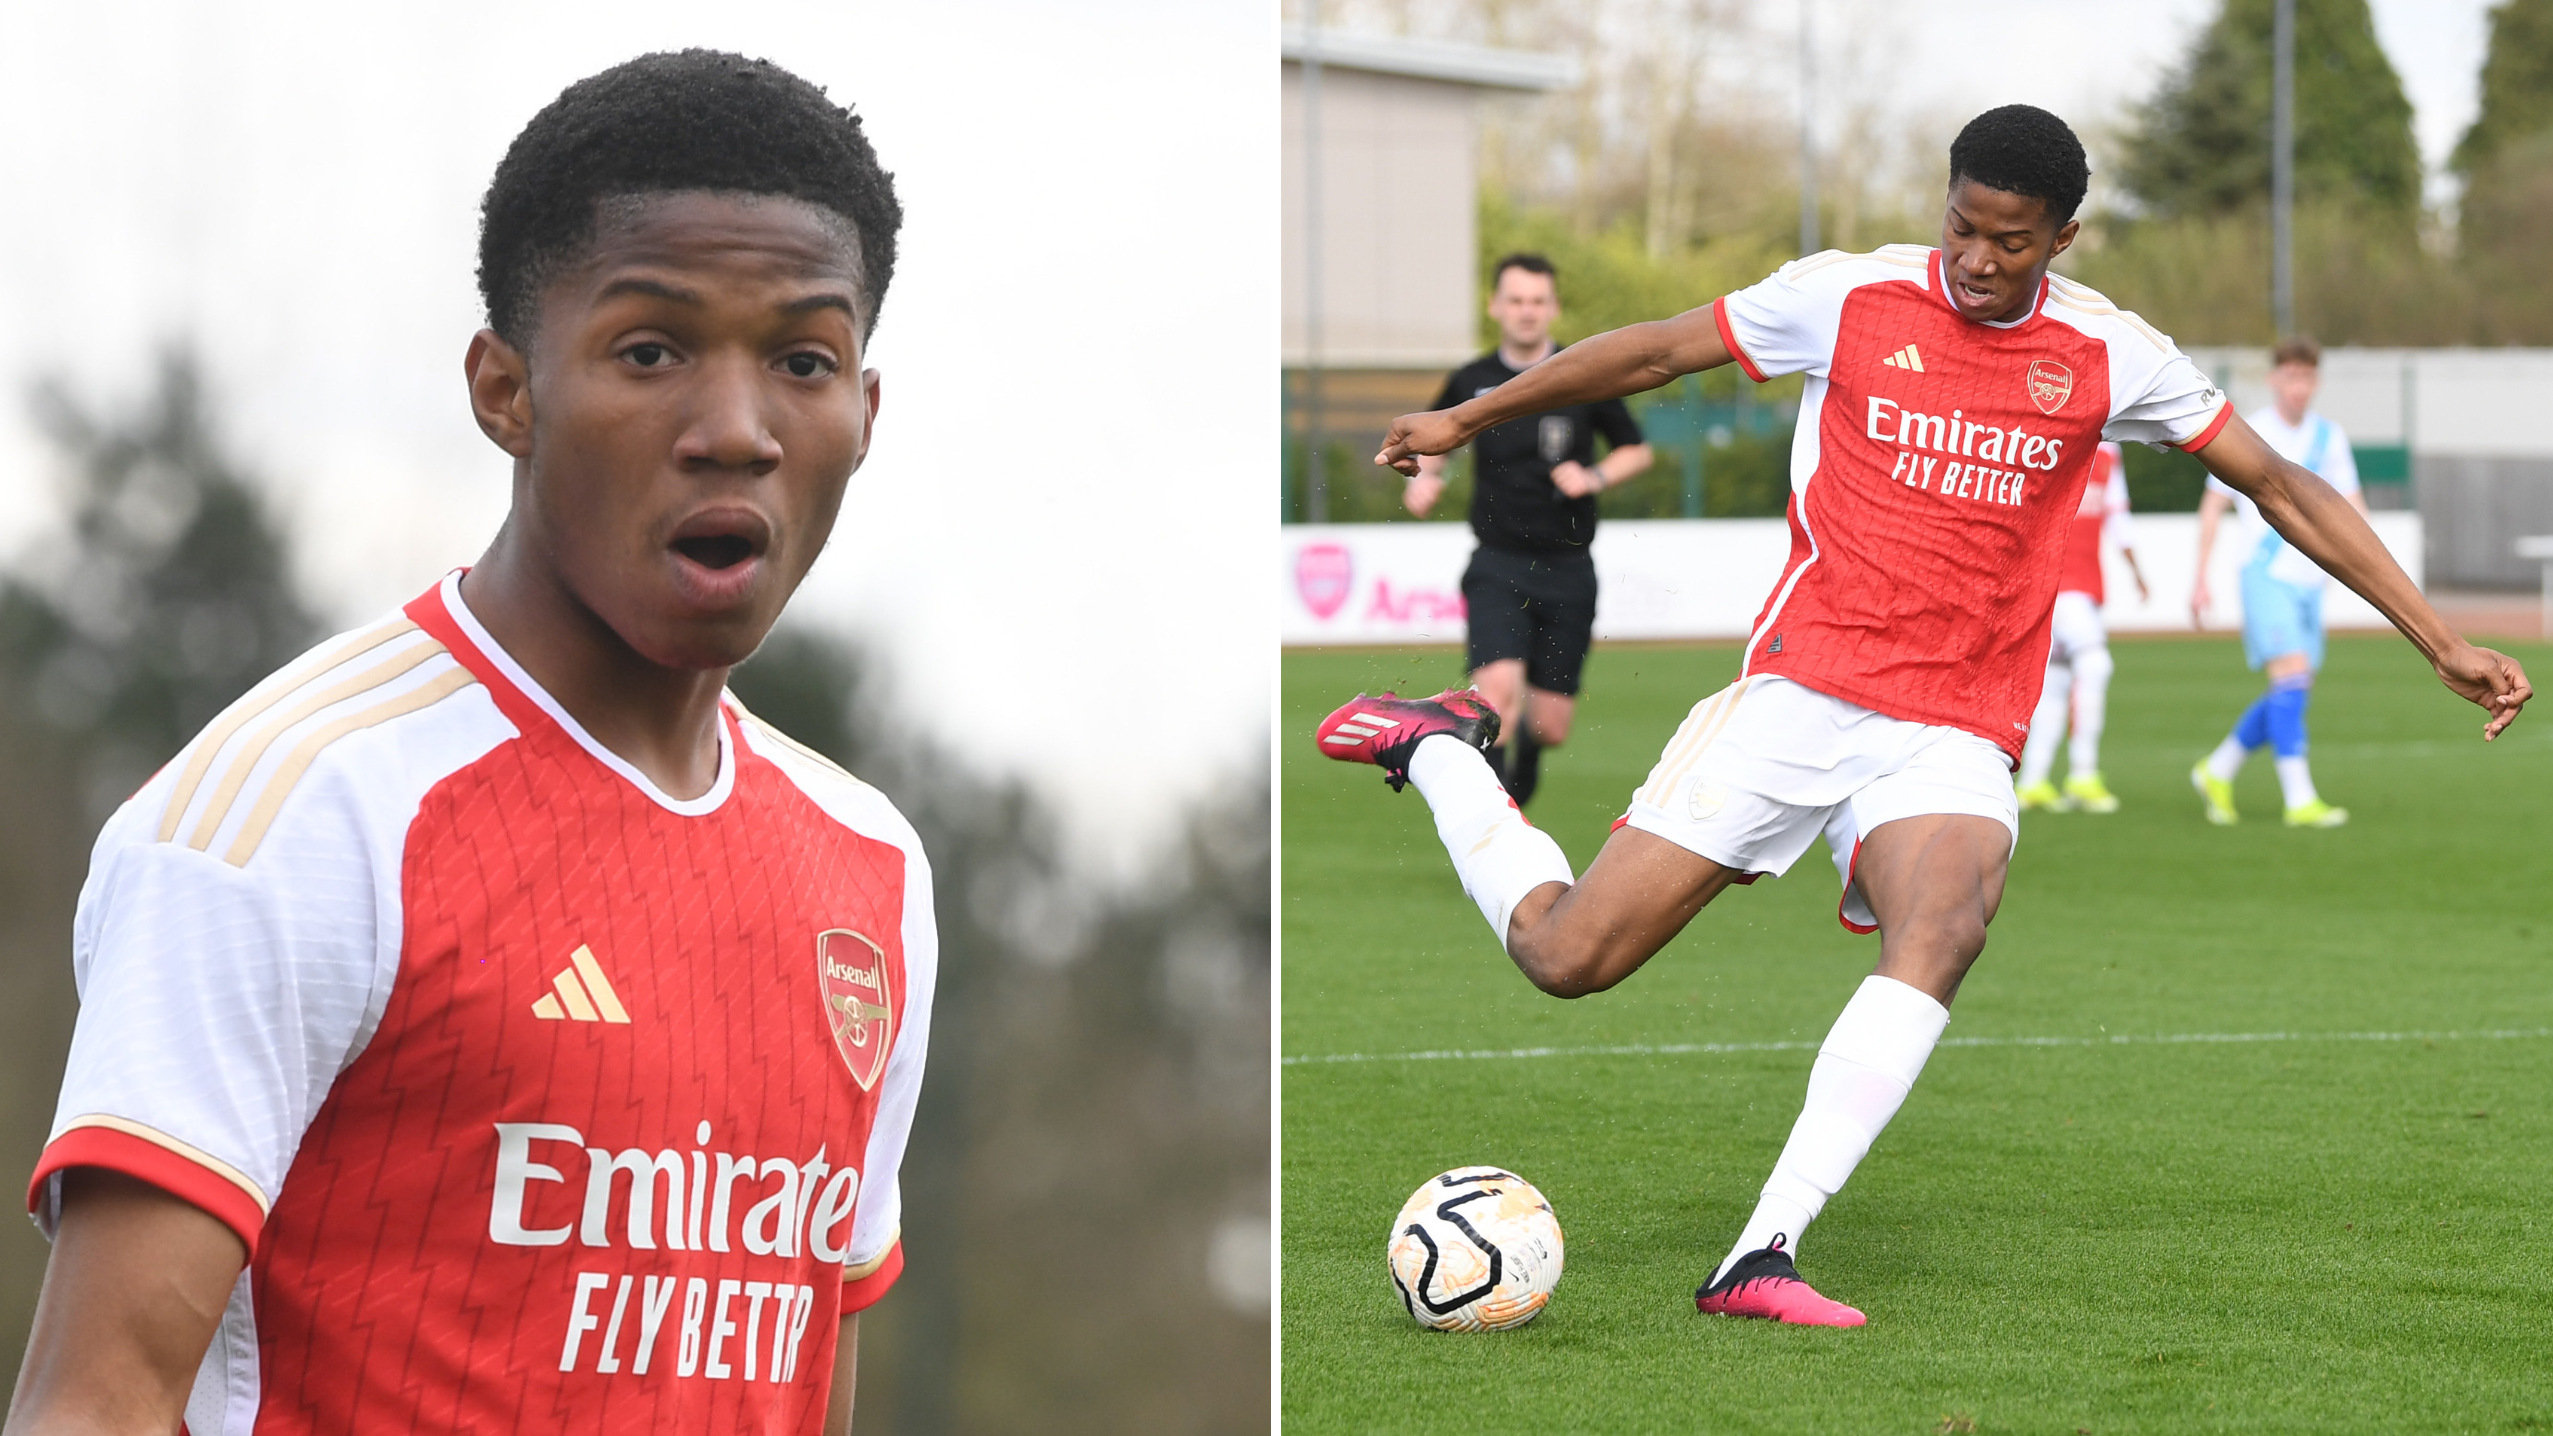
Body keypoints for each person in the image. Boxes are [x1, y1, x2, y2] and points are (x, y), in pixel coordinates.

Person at [1318, 105, 2527, 1326]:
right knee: (1567, 955)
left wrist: (2440, 638)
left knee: (1947, 918)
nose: (1978, 259)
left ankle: (1761, 1248)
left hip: (1955, 722)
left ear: (2062, 236)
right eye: (1961, 226)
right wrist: (1467, 421)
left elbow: (2276, 481)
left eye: (2011, 239)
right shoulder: (1846, 298)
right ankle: (1436, 749)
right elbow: (1650, 353)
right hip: (1804, 688)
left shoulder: (2114, 353)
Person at [9, 52, 934, 1431]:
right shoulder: (294, 819)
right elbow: (97, 1402)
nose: (734, 431)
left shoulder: (873, 871)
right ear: (505, 389)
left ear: (864, 412)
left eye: (803, 359)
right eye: (651, 350)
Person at [1402, 254, 1652, 807]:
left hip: (1568, 569)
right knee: (1497, 699)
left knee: (1548, 725)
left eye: (1537, 301)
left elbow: (1637, 450)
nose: (1526, 311)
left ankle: (1524, 772)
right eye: (1515, 300)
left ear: (1553, 308)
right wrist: (1425, 479)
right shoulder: (1472, 381)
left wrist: (1593, 475)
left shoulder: (1584, 374)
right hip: (1498, 563)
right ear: (1495, 307)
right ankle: (1491, 818)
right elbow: (1432, 442)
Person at [2189, 336, 2366, 828]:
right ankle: (2299, 799)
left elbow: (2353, 508)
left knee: (2292, 689)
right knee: (2289, 678)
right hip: (2264, 575)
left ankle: (2216, 769)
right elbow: (2213, 506)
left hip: (2312, 582)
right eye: (2290, 376)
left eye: (2306, 377)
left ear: (2316, 382)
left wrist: (2368, 573)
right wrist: (2200, 577)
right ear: (2274, 379)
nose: (2298, 386)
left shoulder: (2330, 438)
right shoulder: (2249, 433)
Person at [2015, 441, 2147, 812]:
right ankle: (2083, 775)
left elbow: (2116, 515)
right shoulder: (2049, 436)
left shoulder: (2109, 452)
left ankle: (2034, 780)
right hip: (2053, 585)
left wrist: (2136, 571)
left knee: (2056, 681)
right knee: (2095, 665)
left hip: (2080, 585)